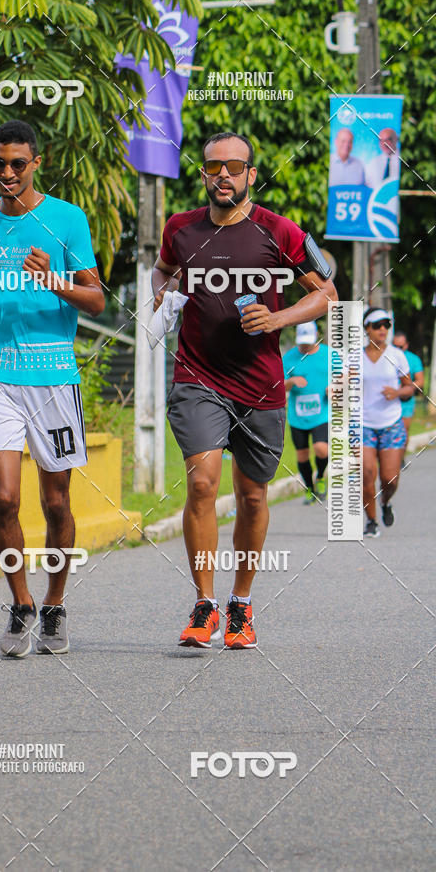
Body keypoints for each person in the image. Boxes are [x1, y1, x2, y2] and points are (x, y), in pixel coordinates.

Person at [152, 131, 337, 650]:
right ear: (204, 174)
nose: (224, 176)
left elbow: (327, 292)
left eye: (235, 167)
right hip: (197, 376)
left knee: (253, 496)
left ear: (251, 175)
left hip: (260, 384)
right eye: (214, 168)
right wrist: (165, 298)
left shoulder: (279, 232)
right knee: (203, 485)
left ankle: (242, 603)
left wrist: (277, 316)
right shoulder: (181, 229)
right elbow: (162, 272)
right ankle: (204, 604)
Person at [0, 120, 104, 657]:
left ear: (36, 163)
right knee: (4, 496)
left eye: (18, 163)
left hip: (53, 378)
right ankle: (21, 607)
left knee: (57, 500)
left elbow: (97, 301)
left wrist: (56, 281)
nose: (8, 173)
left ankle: (56, 605)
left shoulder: (66, 219)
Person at [361, 308, 414, 537]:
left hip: (391, 422)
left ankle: (385, 501)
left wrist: (398, 391)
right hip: (362, 424)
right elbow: (341, 384)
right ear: (367, 329)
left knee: (389, 479)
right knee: (366, 473)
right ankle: (371, 521)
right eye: (377, 324)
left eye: (386, 325)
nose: (383, 329)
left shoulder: (397, 355)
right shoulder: (354, 355)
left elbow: (411, 387)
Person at [283, 321, 330, 504]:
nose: (305, 345)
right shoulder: (289, 358)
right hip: (297, 416)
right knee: (302, 454)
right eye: (302, 342)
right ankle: (309, 488)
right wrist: (292, 381)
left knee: (321, 448)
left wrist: (334, 388)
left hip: (322, 413)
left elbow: (343, 377)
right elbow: (279, 385)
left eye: (308, 341)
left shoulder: (328, 354)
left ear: (316, 334)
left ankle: (320, 478)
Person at [392, 330, 424, 460]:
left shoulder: (413, 359)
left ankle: (400, 458)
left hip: (406, 400)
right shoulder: (387, 357)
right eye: (395, 346)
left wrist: (407, 389)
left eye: (401, 347)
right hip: (390, 400)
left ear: (406, 345)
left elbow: (420, 381)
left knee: (404, 432)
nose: (398, 349)